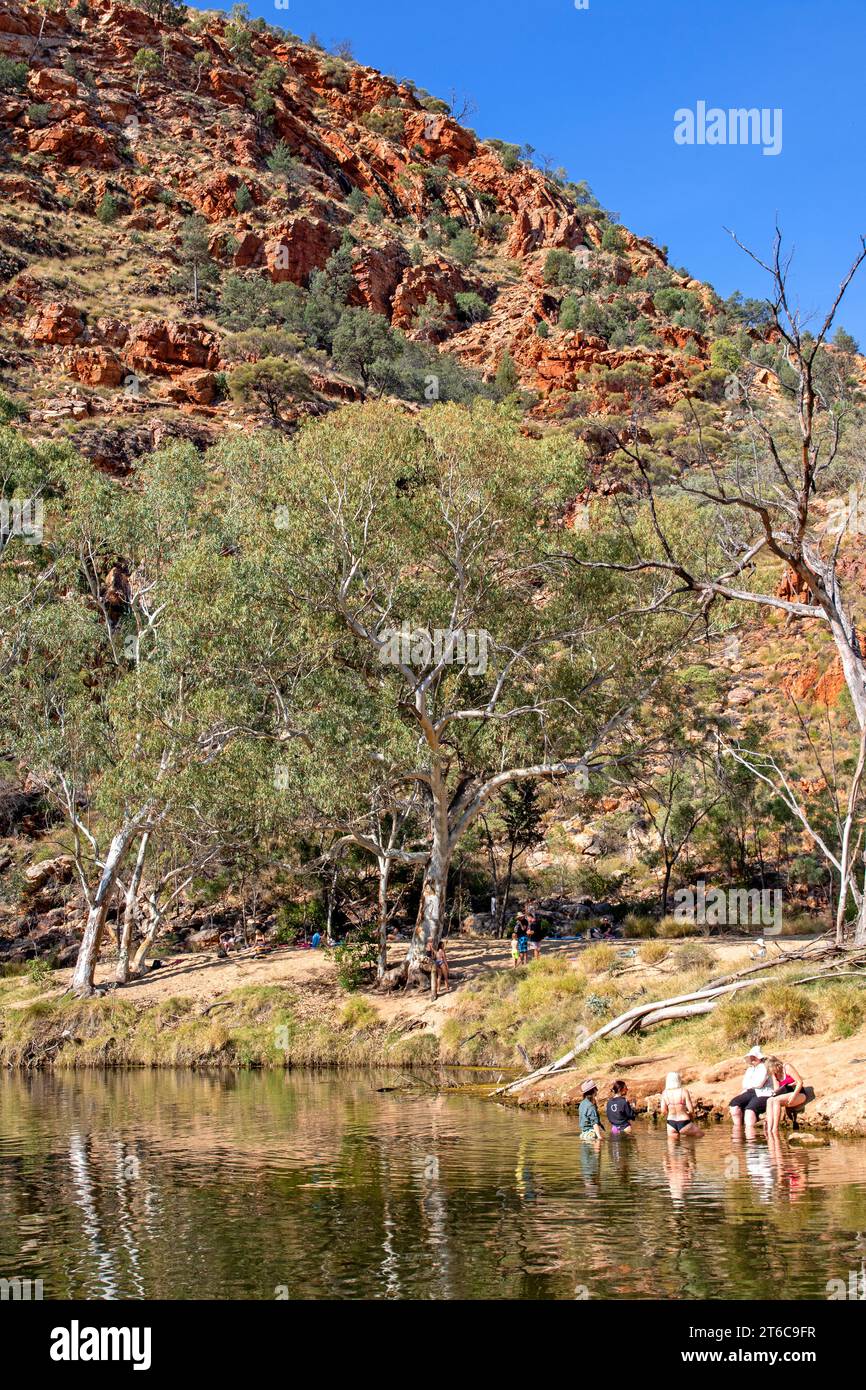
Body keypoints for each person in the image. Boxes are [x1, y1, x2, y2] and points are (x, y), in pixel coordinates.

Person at [729, 1045, 775, 1135]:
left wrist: (750, 1085)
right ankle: (738, 1132)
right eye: (751, 1057)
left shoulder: (764, 1067)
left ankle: (750, 1138)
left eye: (755, 1057)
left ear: (759, 1057)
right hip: (750, 1091)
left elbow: (759, 1084)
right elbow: (744, 1084)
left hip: (764, 1093)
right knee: (734, 1105)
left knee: (749, 1110)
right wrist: (751, 1085)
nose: (752, 1059)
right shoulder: (750, 1069)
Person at [764, 1056, 804, 1136]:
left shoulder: (787, 1067)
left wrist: (793, 1096)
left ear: (776, 1064)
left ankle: (775, 1129)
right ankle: (769, 1129)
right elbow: (777, 1090)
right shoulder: (774, 1074)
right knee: (769, 1100)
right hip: (785, 1094)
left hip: (798, 1094)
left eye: (772, 1069)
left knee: (776, 1100)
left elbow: (800, 1082)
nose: (773, 1072)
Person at [661, 1071, 700, 1137]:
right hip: (684, 1121)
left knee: (672, 1146)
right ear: (678, 1080)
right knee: (701, 1135)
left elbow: (663, 1111)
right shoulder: (684, 1091)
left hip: (671, 1123)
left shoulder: (665, 1093)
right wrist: (690, 1116)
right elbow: (691, 1110)